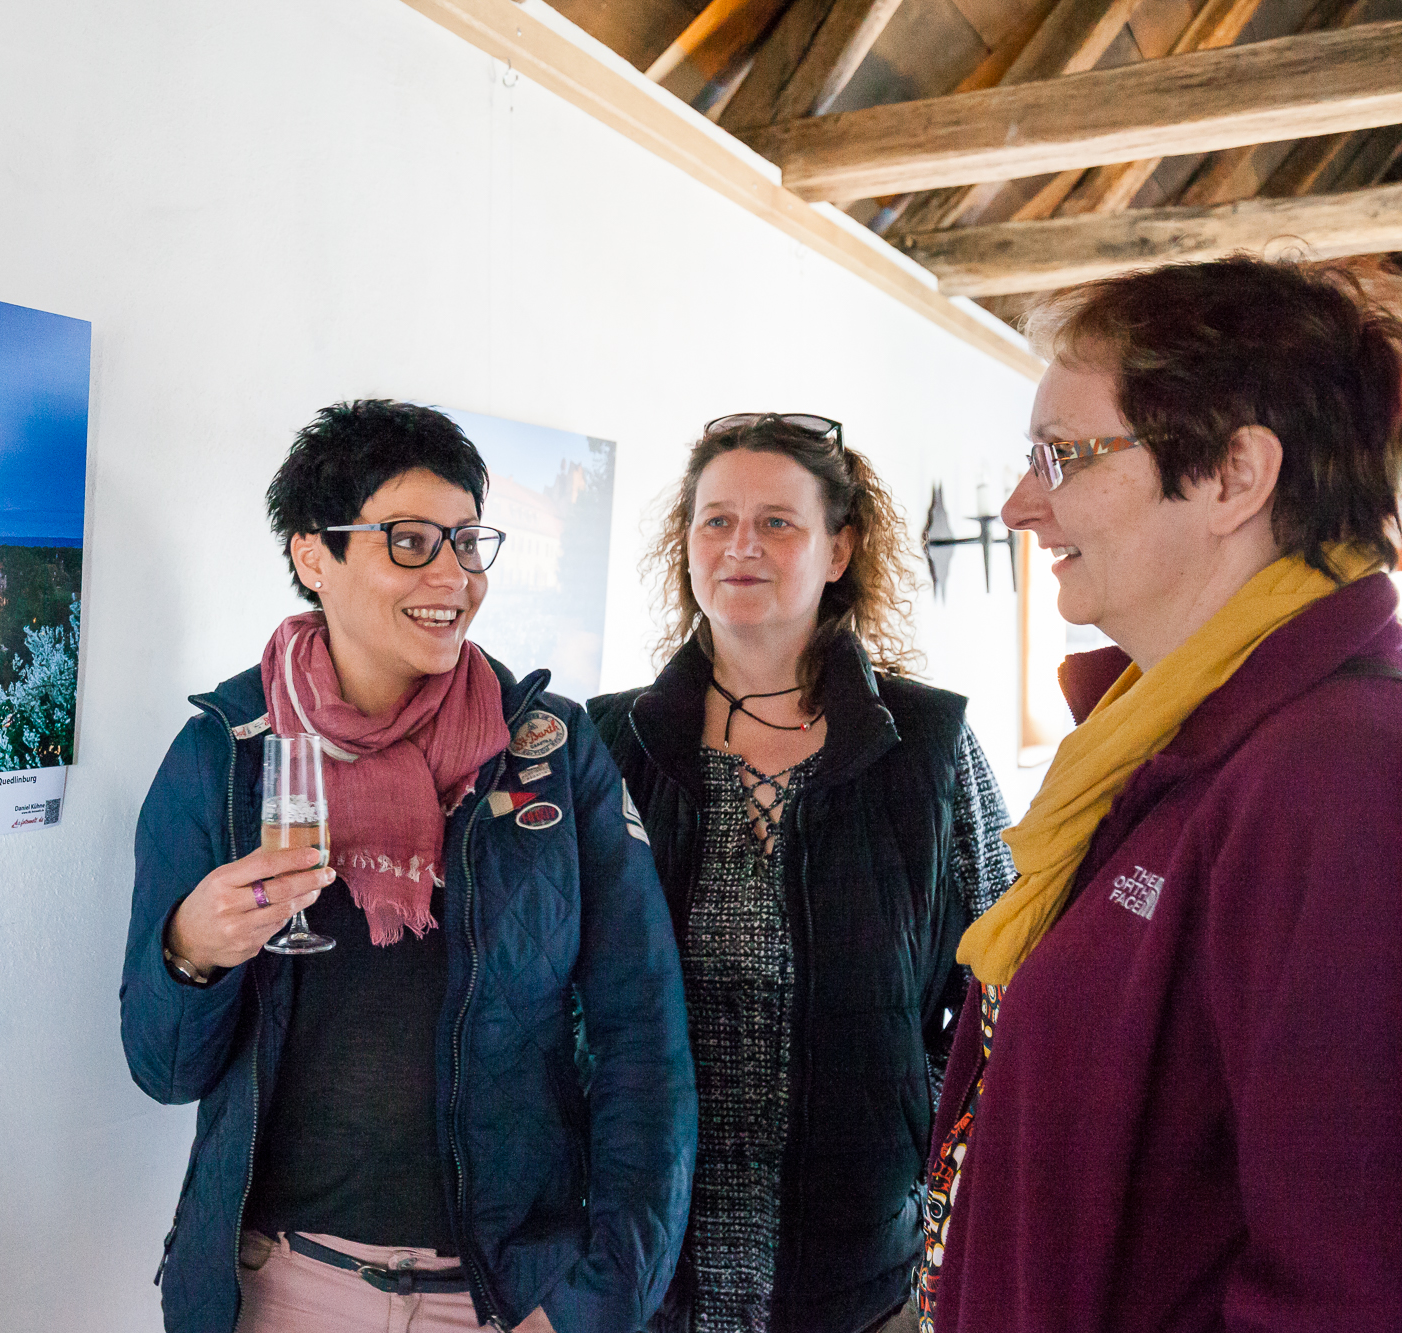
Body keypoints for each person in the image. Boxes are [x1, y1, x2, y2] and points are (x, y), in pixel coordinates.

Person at [121, 399, 697, 1333]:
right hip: (281, 1290)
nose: (453, 576)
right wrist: (192, 947)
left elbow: (645, 1038)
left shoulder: (548, 752)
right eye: (411, 540)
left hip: (505, 1301)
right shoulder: (226, 755)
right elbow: (163, 1067)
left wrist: (596, 1301)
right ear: (315, 556)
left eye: (469, 543)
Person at [918, 256, 1402, 1333]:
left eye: (1063, 455)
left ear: (1234, 475)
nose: (1018, 504)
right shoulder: (1163, 740)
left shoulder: (1340, 777)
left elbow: (1347, 1283)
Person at [588, 414, 1014, 1333]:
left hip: (863, 1275)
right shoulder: (607, 744)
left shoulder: (928, 747)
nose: (742, 545)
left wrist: (916, 1127)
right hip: (642, 1270)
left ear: (838, 549)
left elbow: (1007, 974)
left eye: (778, 521)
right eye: (716, 521)